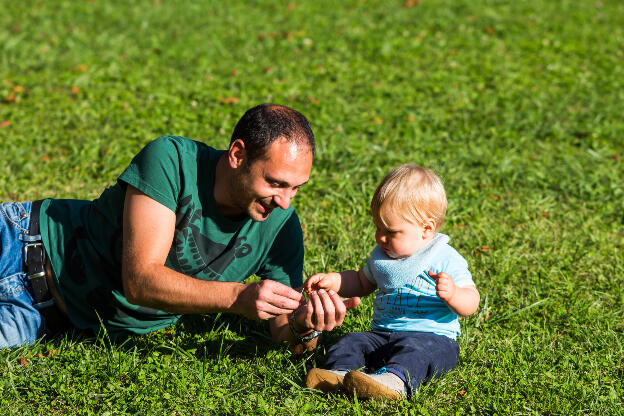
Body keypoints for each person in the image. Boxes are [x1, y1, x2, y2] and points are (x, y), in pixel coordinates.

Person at [0, 103, 358, 350]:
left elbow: (284, 331)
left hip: (42, 320)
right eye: (276, 183)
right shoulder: (171, 160)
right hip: (20, 242)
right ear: (237, 155)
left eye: (296, 188)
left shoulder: (281, 228)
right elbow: (140, 281)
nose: (285, 201)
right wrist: (237, 297)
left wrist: (307, 322)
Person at [304, 164, 480, 399]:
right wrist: (334, 281)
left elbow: (472, 302)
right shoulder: (383, 257)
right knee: (351, 341)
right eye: (378, 227)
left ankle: (393, 382)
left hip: (432, 338)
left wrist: (454, 294)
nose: (381, 237)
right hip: (382, 336)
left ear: (425, 229)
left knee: (416, 352)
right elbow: (360, 282)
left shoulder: (445, 258)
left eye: (392, 231)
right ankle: (340, 374)